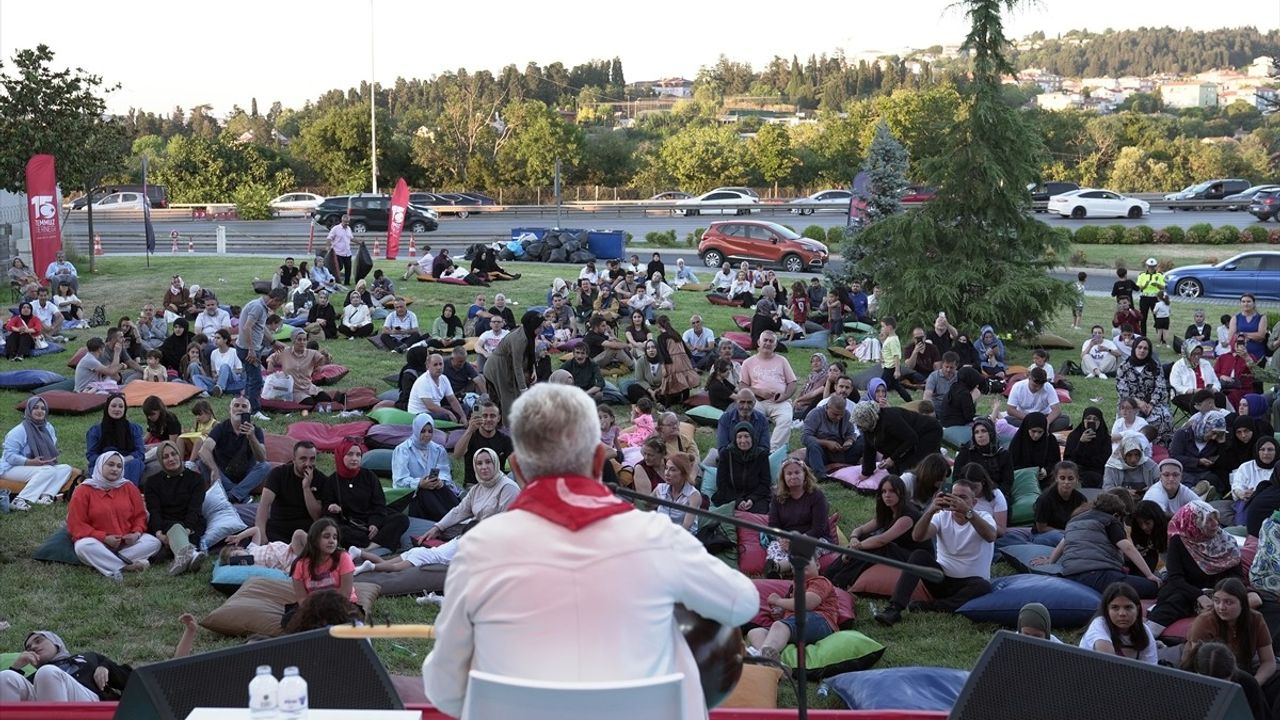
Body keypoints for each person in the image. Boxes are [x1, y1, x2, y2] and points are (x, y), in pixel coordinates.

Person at [422, 384, 757, 718]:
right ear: (599, 460)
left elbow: (445, 690)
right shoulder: (657, 536)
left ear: (518, 468)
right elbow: (742, 603)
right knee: (674, 638)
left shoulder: (478, 549)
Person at [873, 477, 995, 626]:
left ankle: (933, 606)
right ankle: (894, 609)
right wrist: (930, 510)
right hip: (941, 579)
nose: (957, 501)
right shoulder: (942, 517)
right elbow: (917, 536)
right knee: (919, 555)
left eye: (963, 497)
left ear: (974, 502)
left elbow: (990, 536)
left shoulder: (983, 517)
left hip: (970, 583)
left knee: (984, 586)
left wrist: (967, 512)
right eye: (954, 496)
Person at [1147, 501, 1250, 636]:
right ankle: (1146, 638)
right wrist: (1199, 595)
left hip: (1219, 590)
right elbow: (1176, 578)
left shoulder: (1226, 541)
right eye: (1208, 520)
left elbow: (1237, 576)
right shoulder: (1179, 541)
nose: (1215, 524)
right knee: (1175, 601)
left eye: (1215, 518)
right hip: (1187, 590)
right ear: (1193, 523)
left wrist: (1219, 593)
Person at [1039, 489, 1160, 596]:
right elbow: (1128, 548)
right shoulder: (1109, 521)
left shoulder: (1074, 521)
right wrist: (1149, 575)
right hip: (1099, 575)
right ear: (1117, 515)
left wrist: (1050, 561)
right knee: (1154, 587)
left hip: (1070, 575)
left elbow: (1062, 544)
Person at [66, 452, 161, 580]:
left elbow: (140, 516)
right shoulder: (83, 490)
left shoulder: (129, 487)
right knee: (83, 547)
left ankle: (106, 562)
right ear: (100, 466)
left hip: (126, 544)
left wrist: (136, 534)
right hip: (97, 543)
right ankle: (125, 566)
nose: (115, 469)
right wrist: (104, 538)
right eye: (110, 464)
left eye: (119, 466)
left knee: (153, 542)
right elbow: (76, 524)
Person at [825, 474, 927, 590]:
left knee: (879, 547)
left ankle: (841, 580)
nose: (887, 495)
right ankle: (828, 574)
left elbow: (882, 540)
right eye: (883, 492)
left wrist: (855, 547)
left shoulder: (908, 516)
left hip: (915, 557)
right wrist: (854, 538)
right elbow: (861, 529)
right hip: (896, 550)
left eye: (892, 491)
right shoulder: (888, 512)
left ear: (901, 493)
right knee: (865, 537)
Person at [319, 441, 410, 553]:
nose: (354, 458)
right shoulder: (332, 481)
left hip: (371, 520)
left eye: (358, 455)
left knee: (401, 519)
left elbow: (379, 504)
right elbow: (327, 509)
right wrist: (334, 508)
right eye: (350, 454)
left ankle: (369, 548)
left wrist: (374, 523)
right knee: (339, 531)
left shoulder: (369, 476)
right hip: (350, 524)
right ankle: (380, 541)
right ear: (341, 456)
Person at [1185, 577, 1277, 689]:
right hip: (1207, 677)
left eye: (1228, 602)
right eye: (1217, 601)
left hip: (1243, 672)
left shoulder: (1255, 618)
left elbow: (1268, 662)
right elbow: (1202, 667)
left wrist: (1253, 685)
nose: (1221, 607)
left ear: (1242, 603)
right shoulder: (1204, 622)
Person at [747, 556, 839, 662]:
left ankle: (765, 656)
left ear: (817, 565)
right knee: (755, 632)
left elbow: (805, 604)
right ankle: (772, 661)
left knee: (780, 625)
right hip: (797, 625)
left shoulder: (820, 582)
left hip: (821, 622)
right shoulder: (793, 588)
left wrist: (778, 601)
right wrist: (780, 613)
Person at [0, 631, 130, 702]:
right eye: (29, 648)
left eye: (39, 641)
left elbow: (131, 679)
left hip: (91, 707)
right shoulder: (34, 677)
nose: (33, 647)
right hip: (44, 707)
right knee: (6, 676)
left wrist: (106, 667)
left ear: (56, 643)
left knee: (47, 673)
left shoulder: (87, 658)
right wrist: (16, 668)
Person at [143, 440, 208, 576]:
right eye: (165, 457)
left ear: (179, 454)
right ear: (160, 460)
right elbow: (154, 510)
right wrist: (159, 532)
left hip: (191, 523)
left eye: (174, 454)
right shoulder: (152, 482)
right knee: (173, 528)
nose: (171, 459)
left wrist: (187, 529)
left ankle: (183, 556)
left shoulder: (196, 479)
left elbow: (195, 508)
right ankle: (192, 554)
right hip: (165, 523)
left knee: (177, 532)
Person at [1, 397, 76, 511]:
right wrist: (30, 462)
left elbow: (51, 446)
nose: (40, 411)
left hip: (37, 465)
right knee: (48, 470)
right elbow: (9, 456)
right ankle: (20, 500)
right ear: (29, 410)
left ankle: (46, 496)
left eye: (43, 408)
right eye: (35, 408)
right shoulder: (19, 431)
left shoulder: (48, 427)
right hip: (10, 468)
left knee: (65, 468)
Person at [199, 397, 272, 503]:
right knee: (202, 462)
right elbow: (203, 450)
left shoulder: (255, 430)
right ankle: (239, 495)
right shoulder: (221, 428)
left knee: (266, 466)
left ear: (249, 412)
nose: (240, 409)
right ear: (230, 410)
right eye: (236, 405)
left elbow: (262, 458)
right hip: (223, 473)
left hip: (246, 474)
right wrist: (214, 469)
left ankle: (231, 496)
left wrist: (251, 437)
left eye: (244, 406)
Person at [393, 415, 462, 521]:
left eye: (430, 431)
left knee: (444, 490)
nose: (427, 435)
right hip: (413, 495)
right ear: (416, 430)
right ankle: (446, 521)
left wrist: (440, 481)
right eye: (423, 431)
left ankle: (460, 516)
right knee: (425, 492)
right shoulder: (402, 450)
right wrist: (420, 483)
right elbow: (400, 480)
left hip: (435, 489)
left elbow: (444, 472)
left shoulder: (438, 449)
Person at [853, 401, 944, 479]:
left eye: (861, 423)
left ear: (870, 417)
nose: (859, 426)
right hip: (910, 438)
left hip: (928, 431)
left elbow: (911, 438)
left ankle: (942, 470)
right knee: (895, 470)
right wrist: (866, 472)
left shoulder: (890, 419)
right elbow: (869, 449)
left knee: (918, 466)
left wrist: (893, 458)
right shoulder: (868, 426)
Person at [740, 331, 796, 452]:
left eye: (771, 341)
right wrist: (758, 392)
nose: (767, 343)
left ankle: (773, 450)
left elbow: (792, 383)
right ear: (759, 343)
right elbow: (742, 385)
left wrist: (785, 396)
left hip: (780, 401)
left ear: (775, 345)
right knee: (749, 416)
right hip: (757, 401)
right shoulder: (748, 362)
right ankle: (753, 447)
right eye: (765, 340)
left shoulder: (782, 361)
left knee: (786, 419)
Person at [236, 287, 287, 419]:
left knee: (250, 379)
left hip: (252, 348)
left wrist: (273, 342)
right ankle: (254, 411)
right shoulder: (258, 307)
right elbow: (247, 327)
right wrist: (251, 349)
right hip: (248, 349)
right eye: (279, 304)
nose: (278, 307)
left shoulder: (261, 307)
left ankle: (245, 407)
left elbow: (261, 327)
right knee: (256, 380)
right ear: (274, 300)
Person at [482, 310, 542, 418]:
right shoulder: (520, 339)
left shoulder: (528, 334)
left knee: (510, 398)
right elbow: (517, 365)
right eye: (539, 326)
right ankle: (506, 428)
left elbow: (529, 356)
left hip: (506, 366)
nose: (542, 328)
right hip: (498, 367)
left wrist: (533, 370)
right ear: (533, 325)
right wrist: (523, 389)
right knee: (507, 399)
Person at [1079, 582, 1158, 664]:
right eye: (1115, 608)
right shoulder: (1099, 625)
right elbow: (1107, 660)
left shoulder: (1145, 631)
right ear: (1107, 610)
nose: (1122, 613)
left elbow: (1151, 667)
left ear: (1137, 609)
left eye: (1128, 607)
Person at [1116, 336, 1173, 445]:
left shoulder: (1155, 366)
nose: (1142, 351)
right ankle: (1132, 445)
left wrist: (1151, 404)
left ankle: (1160, 445)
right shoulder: (1124, 366)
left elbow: (1161, 387)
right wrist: (1137, 402)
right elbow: (1122, 389)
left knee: (1164, 416)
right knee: (1132, 419)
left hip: (1153, 403)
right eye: (1139, 347)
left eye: (1145, 348)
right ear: (1134, 348)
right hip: (1130, 403)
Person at [290, 518, 358, 609]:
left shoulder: (343, 558)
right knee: (289, 619)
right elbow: (302, 599)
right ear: (314, 539)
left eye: (335, 537)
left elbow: (345, 594)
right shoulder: (300, 564)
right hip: (313, 608)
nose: (332, 541)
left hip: (341, 605)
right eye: (326, 536)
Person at [85, 393, 145, 485]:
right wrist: (109, 462)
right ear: (107, 408)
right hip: (104, 464)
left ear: (125, 409)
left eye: (121, 406)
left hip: (127, 462)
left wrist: (122, 460)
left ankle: (127, 492)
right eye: (113, 406)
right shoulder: (96, 431)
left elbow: (140, 452)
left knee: (135, 463)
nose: (117, 409)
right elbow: (91, 455)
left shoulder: (134, 429)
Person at [713, 423, 772, 513]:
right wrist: (737, 501)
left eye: (746, 436)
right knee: (726, 512)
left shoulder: (761, 455)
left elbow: (765, 483)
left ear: (752, 437)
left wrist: (751, 499)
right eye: (739, 437)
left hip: (755, 498)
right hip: (730, 497)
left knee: (757, 514)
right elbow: (721, 484)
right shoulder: (726, 454)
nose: (743, 441)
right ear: (735, 439)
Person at [1028, 462, 1089, 548]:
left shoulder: (1081, 499)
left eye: (1070, 478)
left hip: (1070, 533)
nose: (1066, 482)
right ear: (1056, 478)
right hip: (1042, 535)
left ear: (1076, 479)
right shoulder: (1045, 499)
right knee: (1065, 539)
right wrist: (1066, 532)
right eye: (1062, 478)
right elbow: (1041, 528)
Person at [802, 395, 860, 483]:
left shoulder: (847, 415)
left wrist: (849, 441)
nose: (838, 418)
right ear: (827, 408)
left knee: (864, 440)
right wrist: (826, 443)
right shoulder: (815, 414)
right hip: (821, 454)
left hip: (841, 452)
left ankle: (866, 469)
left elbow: (851, 433)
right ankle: (821, 476)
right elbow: (805, 437)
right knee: (813, 445)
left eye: (841, 415)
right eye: (835, 414)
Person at [407, 353, 467, 421]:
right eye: (435, 365)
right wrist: (448, 413)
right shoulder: (423, 381)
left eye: (440, 364)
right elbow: (430, 406)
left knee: (464, 408)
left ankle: (461, 421)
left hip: (436, 411)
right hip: (420, 414)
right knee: (446, 416)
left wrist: (462, 415)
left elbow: (452, 400)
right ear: (428, 366)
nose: (439, 367)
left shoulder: (444, 379)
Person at [653, 315, 699, 404]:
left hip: (672, 361)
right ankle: (686, 401)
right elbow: (686, 349)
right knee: (686, 381)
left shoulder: (661, 337)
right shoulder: (675, 333)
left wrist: (663, 367)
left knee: (671, 383)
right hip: (683, 360)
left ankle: (667, 405)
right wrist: (690, 360)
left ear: (658, 325)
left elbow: (663, 353)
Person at [652, 453, 701, 533]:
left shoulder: (693, 495)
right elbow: (645, 507)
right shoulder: (660, 489)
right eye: (666, 468)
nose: (667, 473)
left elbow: (686, 526)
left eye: (673, 470)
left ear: (683, 473)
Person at [1063, 407, 1112, 488]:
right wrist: (1081, 443)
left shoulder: (1105, 438)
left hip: (1098, 473)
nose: (1091, 421)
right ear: (1083, 420)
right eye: (1088, 418)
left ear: (1100, 422)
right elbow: (1069, 460)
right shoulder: (1074, 436)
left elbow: (1104, 461)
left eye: (1095, 419)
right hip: (1077, 472)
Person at [1233, 437, 1278, 522]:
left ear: (1276, 451)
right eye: (1262, 449)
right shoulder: (1246, 467)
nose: (1266, 453)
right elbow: (1237, 486)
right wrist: (1242, 493)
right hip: (1249, 501)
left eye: (1270, 449)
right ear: (1257, 451)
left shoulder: (1278, 467)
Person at [1008, 412, 1061, 484]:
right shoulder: (1018, 441)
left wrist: (1046, 471)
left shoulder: (1050, 440)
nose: (1036, 435)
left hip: (1045, 479)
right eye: (1033, 431)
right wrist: (1031, 472)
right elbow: (1010, 465)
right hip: (1023, 479)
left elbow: (1056, 463)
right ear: (1027, 428)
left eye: (1040, 432)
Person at [1171, 343, 1224, 413]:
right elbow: (1176, 386)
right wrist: (1193, 391)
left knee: (1220, 397)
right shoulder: (1178, 366)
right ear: (1187, 353)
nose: (1197, 356)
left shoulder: (1206, 364)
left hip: (1206, 393)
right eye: (1193, 354)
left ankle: (1219, 420)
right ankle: (1199, 422)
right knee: (1196, 401)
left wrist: (1214, 389)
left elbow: (1215, 381)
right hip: (1185, 394)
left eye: (1199, 353)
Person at [1217, 334, 1259, 410]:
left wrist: (1246, 357)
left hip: (1243, 389)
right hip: (1224, 388)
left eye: (1242, 342)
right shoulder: (1223, 357)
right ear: (1233, 342)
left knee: (1234, 396)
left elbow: (1256, 372)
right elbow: (1214, 373)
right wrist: (1222, 376)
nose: (1240, 344)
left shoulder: (1250, 357)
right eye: (1238, 342)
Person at [1228, 293, 1269, 362]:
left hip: (1258, 354)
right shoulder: (1235, 318)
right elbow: (1231, 337)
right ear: (1240, 303)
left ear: (1254, 303)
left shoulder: (1261, 317)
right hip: (1240, 353)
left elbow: (1261, 336)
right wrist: (1253, 335)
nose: (1246, 304)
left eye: (1248, 301)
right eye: (1243, 301)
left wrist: (1242, 334)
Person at [325, 214, 354, 285]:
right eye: (345, 222)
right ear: (342, 221)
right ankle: (335, 279)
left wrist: (360, 242)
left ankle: (347, 282)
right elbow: (329, 238)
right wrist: (328, 247)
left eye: (348, 222)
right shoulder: (336, 229)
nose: (346, 223)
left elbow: (351, 238)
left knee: (348, 268)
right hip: (338, 253)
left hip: (347, 253)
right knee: (339, 267)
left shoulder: (349, 229)